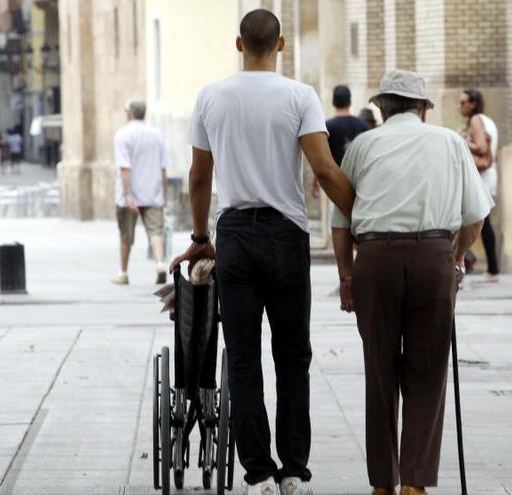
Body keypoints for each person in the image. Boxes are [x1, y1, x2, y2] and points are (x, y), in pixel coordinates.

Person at [168, 9, 353, 495]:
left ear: (238, 44)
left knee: (245, 359)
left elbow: (199, 176)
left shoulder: (211, 97)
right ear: (281, 45)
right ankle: (293, 471)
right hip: (286, 236)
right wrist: (362, 219)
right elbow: (324, 169)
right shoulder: (300, 96)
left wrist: (199, 235)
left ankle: (258, 475)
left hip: (234, 236)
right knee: (293, 358)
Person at [331, 69, 494, 495]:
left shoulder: (362, 145)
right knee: (427, 372)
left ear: (381, 109)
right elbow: (475, 218)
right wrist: (454, 259)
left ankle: (383, 484)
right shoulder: (449, 143)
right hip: (432, 257)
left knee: (379, 371)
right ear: (422, 110)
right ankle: (415, 484)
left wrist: (346, 277)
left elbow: (340, 222)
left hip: (375, 259)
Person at [111, 99, 170, 286]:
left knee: (126, 234)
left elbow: (124, 168)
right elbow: (163, 168)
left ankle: (123, 272)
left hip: (129, 196)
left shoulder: (122, 135)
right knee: (156, 231)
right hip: (153, 193)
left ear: (129, 113)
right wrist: (164, 195)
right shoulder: (157, 134)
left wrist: (128, 195)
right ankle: (160, 264)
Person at [459, 88, 500, 281]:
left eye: (463, 102)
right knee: (483, 222)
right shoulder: (488, 120)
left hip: (480, 176)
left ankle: (489, 267)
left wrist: (460, 140)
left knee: (477, 221)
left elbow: (482, 147)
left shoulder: (476, 120)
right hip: (489, 174)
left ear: (473, 103)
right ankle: (491, 267)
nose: (460, 106)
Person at [311, 84, 368, 197]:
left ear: (333, 102)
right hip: (360, 183)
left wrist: (315, 181)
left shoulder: (327, 127)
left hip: (336, 185)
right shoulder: (363, 125)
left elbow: (322, 160)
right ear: (349, 102)